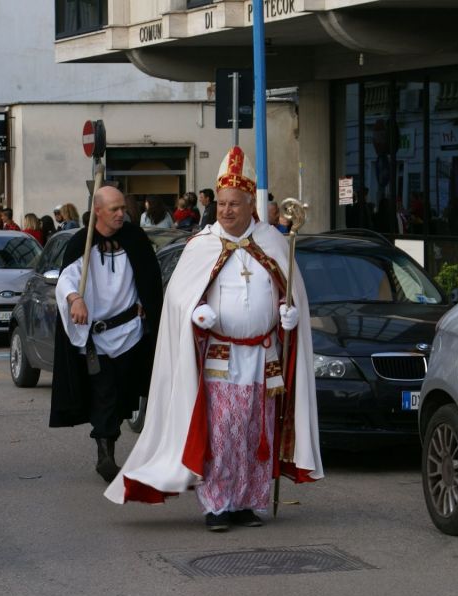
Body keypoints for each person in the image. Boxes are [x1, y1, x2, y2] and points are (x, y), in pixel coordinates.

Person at [105, 146, 324, 532]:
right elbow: (178, 298)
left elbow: (288, 292)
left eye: (234, 204)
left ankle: (247, 501)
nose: (226, 211)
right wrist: (196, 312)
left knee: (256, 432)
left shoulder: (272, 242)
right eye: (221, 204)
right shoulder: (202, 245)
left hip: (264, 357)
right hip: (221, 357)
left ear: (250, 205)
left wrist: (287, 314)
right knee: (223, 433)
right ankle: (218, 504)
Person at [50, 186, 163, 481]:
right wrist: (75, 299)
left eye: (122, 208)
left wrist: (147, 303)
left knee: (123, 393)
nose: (121, 214)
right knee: (105, 393)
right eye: (114, 209)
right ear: (97, 211)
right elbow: (66, 279)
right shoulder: (82, 243)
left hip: (130, 333)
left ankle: (111, 446)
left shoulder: (135, 239)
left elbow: (149, 278)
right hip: (97, 338)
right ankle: (106, 456)